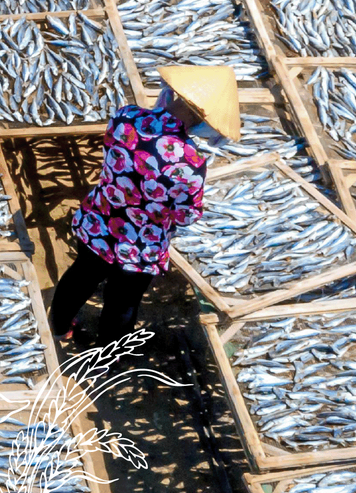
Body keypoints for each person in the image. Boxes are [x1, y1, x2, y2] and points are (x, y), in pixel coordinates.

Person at [49, 62, 241, 346]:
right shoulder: (190, 164)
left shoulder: (127, 117)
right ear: (201, 118)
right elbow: (186, 215)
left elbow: (111, 150)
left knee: (80, 277)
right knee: (122, 303)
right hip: (140, 247)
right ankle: (108, 353)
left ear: (175, 95)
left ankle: (59, 327)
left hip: (98, 222)